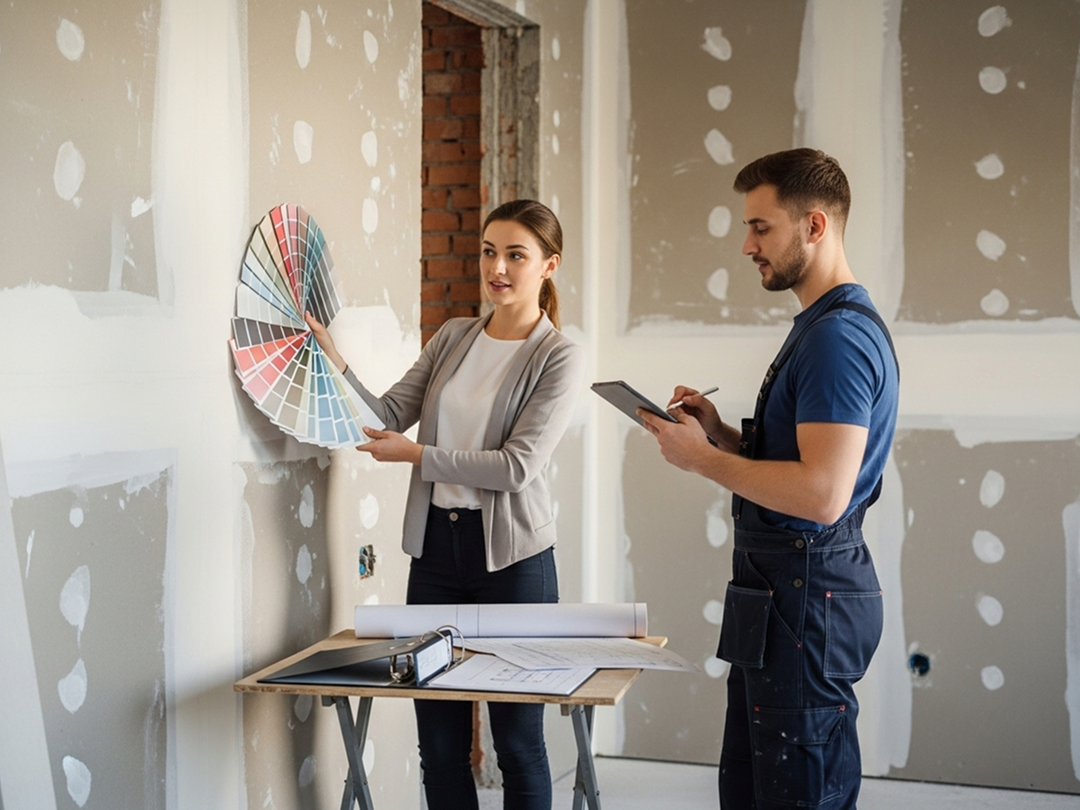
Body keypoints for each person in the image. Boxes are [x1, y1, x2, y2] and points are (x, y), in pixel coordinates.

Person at [638, 148, 899, 809]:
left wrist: (700, 459)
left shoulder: (836, 339)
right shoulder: (819, 328)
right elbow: (803, 462)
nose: (746, 244)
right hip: (787, 599)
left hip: (807, 602)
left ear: (815, 225)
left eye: (762, 227)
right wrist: (721, 434)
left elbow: (822, 494)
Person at [306, 199, 584, 810]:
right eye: (489, 252)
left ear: (549, 265)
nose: (498, 267)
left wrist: (418, 456)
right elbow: (385, 417)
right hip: (435, 554)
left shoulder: (558, 356)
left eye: (516, 254)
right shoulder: (454, 336)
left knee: (517, 744)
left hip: (514, 563)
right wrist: (333, 358)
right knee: (437, 742)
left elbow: (516, 468)